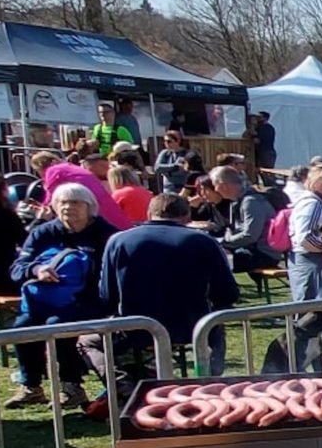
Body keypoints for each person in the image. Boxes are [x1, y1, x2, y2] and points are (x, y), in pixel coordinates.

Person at [93, 192, 237, 385]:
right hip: (193, 328)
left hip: (135, 328)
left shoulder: (118, 241)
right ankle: (209, 382)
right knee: (216, 323)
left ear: (148, 213)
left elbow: (107, 296)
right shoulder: (203, 241)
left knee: (87, 342)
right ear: (187, 216)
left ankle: (122, 385)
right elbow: (227, 293)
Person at [5, 184, 117, 409]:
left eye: (75, 202)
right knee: (23, 326)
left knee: (59, 326)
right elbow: (18, 267)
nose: (68, 208)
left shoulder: (106, 235)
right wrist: (37, 270)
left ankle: (72, 387)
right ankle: (31, 386)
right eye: (62, 203)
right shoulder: (44, 232)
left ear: (90, 207)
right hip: (46, 300)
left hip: (91, 300)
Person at [284, 164, 322, 369]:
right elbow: (305, 238)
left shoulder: (320, 202)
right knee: (310, 319)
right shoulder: (312, 203)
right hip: (310, 262)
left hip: (311, 262)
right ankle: (297, 366)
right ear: (312, 180)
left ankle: (315, 366)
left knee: (315, 321)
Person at [204, 165, 279, 273]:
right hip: (247, 250)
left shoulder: (251, 202)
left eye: (215, 185)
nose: (215, 189)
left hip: (263, 254)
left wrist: (223, 243)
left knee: (212, 261)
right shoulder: (237, 202)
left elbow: (250, 236)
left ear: (223, 185)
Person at [106, 163, 154, 231]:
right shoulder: (144, 191)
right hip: (148, 225)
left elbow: (112, 214)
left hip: (131, 227)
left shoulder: (118, 194)